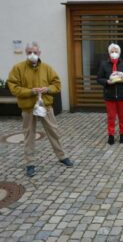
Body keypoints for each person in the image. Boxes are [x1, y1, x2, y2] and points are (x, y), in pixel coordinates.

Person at [7, 41, 73, 177]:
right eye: (29, 52)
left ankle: (62, 156)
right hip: (28, 107)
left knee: (53, 132)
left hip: (45, 106)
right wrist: (30, 91)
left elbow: (57, 84)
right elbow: (13, 87)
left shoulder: (47, 68)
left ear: (39, 53)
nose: (32, 55)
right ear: (26, 53)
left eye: (35, 52)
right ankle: (30, 163)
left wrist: (47, 89)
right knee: (28, 135)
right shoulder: (18, 68)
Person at [97, 43, 123, 145]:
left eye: (116, 51)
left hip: (122, 95)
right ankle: (111, 135)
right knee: (111, 117)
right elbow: (99, 79)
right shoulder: (103, 64)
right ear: (109, 53)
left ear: (119, 53)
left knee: (122, 117)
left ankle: (122, 134)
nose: (114, 53)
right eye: (112, 51)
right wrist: (107, 82)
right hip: (109, 95)